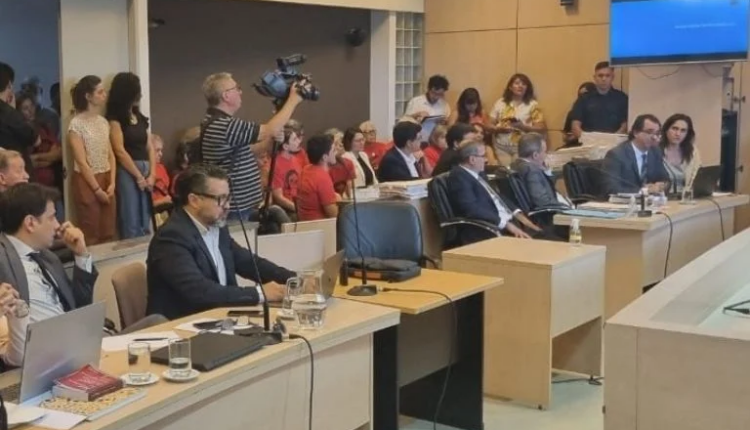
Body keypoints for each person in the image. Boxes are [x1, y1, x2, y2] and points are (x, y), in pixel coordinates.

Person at [0, 183, 164, 366]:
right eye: (52, 217)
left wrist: (81, 255)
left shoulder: (47, 257)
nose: (57, 225)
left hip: (79, 342)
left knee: (157, 325)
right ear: (30, 223)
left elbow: (80, 305)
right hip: (50, 358)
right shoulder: (3, 258)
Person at [146, 164, 294, 320]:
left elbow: (249, 263)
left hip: (219, 320)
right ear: (194, 200)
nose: (227, 206)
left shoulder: (217, 226)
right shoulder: (171, 237)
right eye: (220, 199)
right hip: (180, 325)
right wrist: (260, 293)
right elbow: (200, 291)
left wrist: (294, 281)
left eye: (228, 198)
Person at [198, 72, 306, 222]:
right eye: (237, 88)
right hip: (234, 210)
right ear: (226, 96)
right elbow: (269, 129)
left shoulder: (222, 122)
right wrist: (293, 100)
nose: (240, 92)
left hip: (244, 207)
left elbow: (249, 150)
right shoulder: (224, 125)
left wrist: (271, 142)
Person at [447, 140, 557, 245]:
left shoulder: (478, 173)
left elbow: (497, 197)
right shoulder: (459, 178)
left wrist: (521, 217)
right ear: (472, 159)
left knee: (552, 236)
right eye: (483, 156)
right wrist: (506, 225)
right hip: (492, 230)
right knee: (552, 242)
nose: (486, 160)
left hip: (512, 223)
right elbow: (472, 210)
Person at [67, 75, 116, 245]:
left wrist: (112, 182)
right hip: (87, 181)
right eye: (100, 92)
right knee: (91, 229)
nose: (104, 95)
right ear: (88, 96)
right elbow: (81, 161)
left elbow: (110, 154)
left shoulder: (103, 122)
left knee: (108, 229)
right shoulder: (76, 124)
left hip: (106, 176)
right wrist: (97, 190)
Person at [107, 72, 155, 239]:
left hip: (145, 168)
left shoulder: (140, 118)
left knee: (145, 216)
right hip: (128, 171)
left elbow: (150, 147)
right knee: (131, 217)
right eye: (136, 92)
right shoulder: (115, 119)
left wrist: (152, 175)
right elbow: (119, 150)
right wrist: (138, 176)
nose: (139, 95)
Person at [603, 114, 670, 195]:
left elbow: (666, 180)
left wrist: (660, 186)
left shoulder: (655, 152)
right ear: (635, 132)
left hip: (650, 201)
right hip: (624, 202)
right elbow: (611, 188)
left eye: (657, 133)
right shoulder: (616, 155)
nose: (654, 137)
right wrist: (644, 191)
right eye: (649, 132)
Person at [490, 73, 547, 166]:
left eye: (524, 84)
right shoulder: (500, 103)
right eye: (517, 83)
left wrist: (523, 127)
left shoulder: (533, 105)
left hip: (522, 147)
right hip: (501, 146)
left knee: (518, 170)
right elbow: (489, 124)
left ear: (527, 88)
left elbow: (541, 128)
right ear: (510, 87)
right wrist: (499, 129)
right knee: (506, 171)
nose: (520, 86)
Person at [15, 92, 62, 192]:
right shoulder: (18, 132)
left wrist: (37, 157)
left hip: (52, 182)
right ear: (18, 112)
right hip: (31, 183)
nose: (30, 110)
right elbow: (27, 162)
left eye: (32, 106)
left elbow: (58, 153)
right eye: (25, 108)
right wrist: (48, 158)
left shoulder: (43, 127)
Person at [511, 133, 572, 210]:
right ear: (535, 155)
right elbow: (542, 202)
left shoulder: (515, 165)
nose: (546, 155)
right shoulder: (532, 171)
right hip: (549, 213)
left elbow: (547, 187)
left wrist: (547, 170)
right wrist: (566, 207)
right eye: (544, 152)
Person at [570, 62, 629, 140]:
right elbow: (575, 126)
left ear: (612, 77)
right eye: (600, 75)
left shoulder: (622, 98)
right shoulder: (583, 98)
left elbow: (625, 126)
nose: (604, 79)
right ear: (594, 77)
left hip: (614, 143)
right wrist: (589, 140)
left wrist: (612, 140)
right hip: (588, 143)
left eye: (607, 75)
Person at [0, 62, 37, 179]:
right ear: (9, 84)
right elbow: (36, 140)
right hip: (13, 176)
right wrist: (12, 110)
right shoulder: (9, 114)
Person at [296, 135, 340, 221]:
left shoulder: (306, 169)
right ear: (325, 157)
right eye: (334, 150)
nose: (336, 152)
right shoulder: (322, 178)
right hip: (320, 225)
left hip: (305, 223)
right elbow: (333, 214)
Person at [660, 113, 702, 194]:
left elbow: (698, 177)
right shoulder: (655, 151)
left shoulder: (693, 151)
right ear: (666, 130)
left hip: (686, 196)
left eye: (683, 130)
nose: (678, 134)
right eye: (674, 129)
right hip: (663, 197)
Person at [270, 121, 303, 216]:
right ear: (285, 146)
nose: (299, 141)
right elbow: (279, 198)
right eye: (294, 139)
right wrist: (299, 210)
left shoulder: (295, 159)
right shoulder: (275, 164)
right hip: (288, 210)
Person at [404, 75, 451, 141]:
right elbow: (405, 121)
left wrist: (444, 122)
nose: (436, 97)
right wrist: (417, 115)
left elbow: (448, 123)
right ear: (429, 89)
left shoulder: (444, 104)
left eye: (440, 94)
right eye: (434, 93)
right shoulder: (416, 102)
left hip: (436, 140)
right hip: (418, 139)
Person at [562, 82, 596, 147]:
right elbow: (565, 137)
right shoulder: (572, 113)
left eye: (586, 94)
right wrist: (574, 136)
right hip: (575, 145)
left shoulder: (600, 113)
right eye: (580, 95)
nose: (583, 98)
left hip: (594, 145)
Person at [325, 128, 355, 198]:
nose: (341, 145)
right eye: (336, 144)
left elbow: (350, 192)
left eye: (342, 142)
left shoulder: (348, 163)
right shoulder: (324, 167)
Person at [151, 134, 171, 206]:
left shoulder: (161, 168)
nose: (161, 154)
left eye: (161, 150)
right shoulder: (143, 170)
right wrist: (162, 201)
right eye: (157, 150)